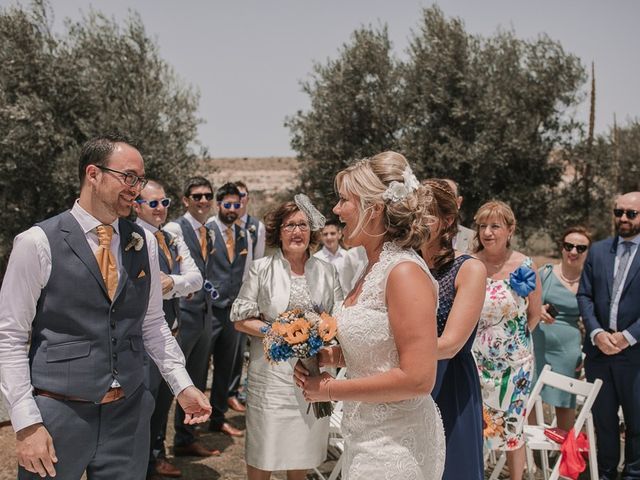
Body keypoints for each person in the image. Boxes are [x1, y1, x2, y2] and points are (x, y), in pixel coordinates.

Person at [0, 134, 211, 480]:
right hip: (58, 414)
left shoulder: (144, 243)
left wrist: (183, 385)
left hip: (128, 416)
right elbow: (10, 337)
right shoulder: (36, 243)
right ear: (93, 174)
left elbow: (153, 326)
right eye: (129, 177)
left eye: (140, 180)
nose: (136, 188)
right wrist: (25, 423)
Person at [294, 151, 445, 479]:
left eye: (343, 200)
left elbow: (418, 378)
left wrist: (330, 390)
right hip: (365, 435)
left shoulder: (403, 272)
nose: (335, 210)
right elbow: (379, 351)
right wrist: (327, 356)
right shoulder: (372, 267)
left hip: (396, 443)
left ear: (373, 210)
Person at [231, 195, 343, 480]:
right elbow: (240, 318)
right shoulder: (260, 269)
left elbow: (338, 319)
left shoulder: (327, 271)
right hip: (270, 378)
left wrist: (325, 337)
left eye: (303, 225)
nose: (297, 231)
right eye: (290, 225)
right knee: (263, 448)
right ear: (278, 232)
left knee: (302, 447)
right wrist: (279, 333)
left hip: (312, 376)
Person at [133, 179, 203, 479]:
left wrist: (172, 282)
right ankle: (143, 463)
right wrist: (178, 283)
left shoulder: (171, 236)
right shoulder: (132, 239)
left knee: (163, 402)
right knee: (145, 405)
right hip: (144, 340)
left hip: (172, 333)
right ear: (137, 206)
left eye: (165, 202)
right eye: (153, 203)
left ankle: (156, 455)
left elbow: (196, 279)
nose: (161, 208)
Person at [419, 179, 486, 480]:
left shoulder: (469, 269)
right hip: (406, 383)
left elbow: (450, 344)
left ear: (447, 220)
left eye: (427, 213)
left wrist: (393, 351)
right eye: (414, 213)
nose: (418, 221)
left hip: (449, 385)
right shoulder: (402, 267)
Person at [471, 200, 541, 480]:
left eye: (495, 226)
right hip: (475, 363)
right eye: (482, 226)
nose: (487, 232)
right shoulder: (470, 263)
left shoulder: (525, 265)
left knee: (513, 426)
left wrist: (511, 347)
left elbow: (534, 315)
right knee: (475, 425)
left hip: (515, 369)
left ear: (510, 230)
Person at [577, 192, 640, 480]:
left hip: (635, 355)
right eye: (618, 212)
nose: (623, 219)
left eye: (631, 213)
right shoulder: (600, 250)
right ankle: (604, 474)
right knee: (603, 421)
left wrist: (628, 336)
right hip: (600, 353)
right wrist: (597, 332)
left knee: (637, 423)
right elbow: (585, 295)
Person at [164, 176, 221, 457]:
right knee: (171, 382)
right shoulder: (174, 228)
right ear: (185, 200)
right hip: (181, 315)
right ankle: (155, 453)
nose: (203, 201)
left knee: (197, 377)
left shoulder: (209, 230)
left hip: (204, 314)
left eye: (207, 195)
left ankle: (186, 439)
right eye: (196, 196)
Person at [532, 226, 591, 433]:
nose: (573, 252)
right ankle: (531, 453)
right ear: (562, 248)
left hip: (568, 349)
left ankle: (565, 456)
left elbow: (593, 318)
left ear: (587, 252)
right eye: (569, 246)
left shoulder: (589, 281)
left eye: (580, 248)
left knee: (565, 401)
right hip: (537, 342)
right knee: (531, 394)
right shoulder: (545, 273)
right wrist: (537, 309)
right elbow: (524, 301)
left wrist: (589, 353)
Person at [205, 182, 248, 437]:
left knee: (225, 367)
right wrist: (213, 295)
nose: (232, 209)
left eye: (236, 205)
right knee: (198, 368)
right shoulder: (207, 231)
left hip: (232, 312)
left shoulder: (243, 234)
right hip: (209, 310)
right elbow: (200, 270)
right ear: (218, 204)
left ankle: (218, 418)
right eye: (228, 204)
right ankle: (189, 426)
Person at [227, 180, 266, 412]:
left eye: (242, 196)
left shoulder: (256, 227)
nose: (238, 200)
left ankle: (239, 389)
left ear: (247, 199)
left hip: (247, 292)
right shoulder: (217, 224)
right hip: (223, 293)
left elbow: (258, 260)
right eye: (234, 196)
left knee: (241, 345)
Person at [314, 218, 351, 291]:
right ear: (321, 237)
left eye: (332, 233)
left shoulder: (349, 256)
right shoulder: (315, 260)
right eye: (325, 234)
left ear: (339, 234)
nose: (329, 237)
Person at [443, 179, 474, 254]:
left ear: (458, 202)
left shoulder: (473, 238)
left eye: (449, 196)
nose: (443, 202)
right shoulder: (420, 237)